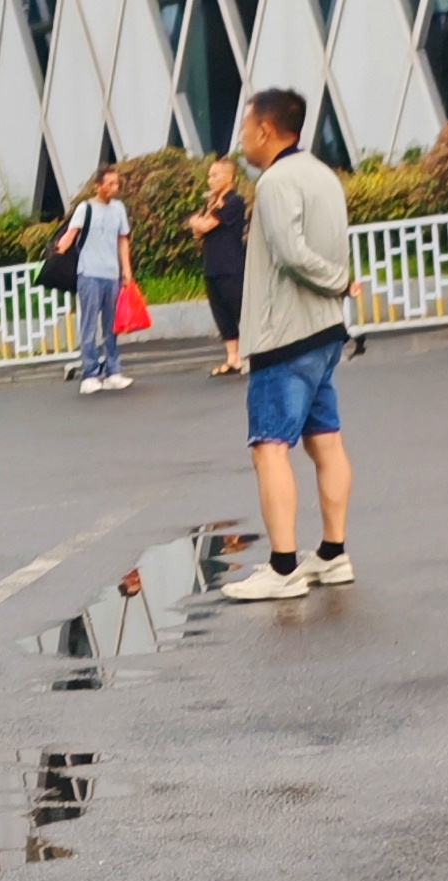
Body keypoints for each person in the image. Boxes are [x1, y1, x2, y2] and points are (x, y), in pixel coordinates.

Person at [221, 89, 356, 600]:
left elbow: (293, 254)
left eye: (245, 129)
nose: (241, 141)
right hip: (324, 333)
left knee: (269, 448)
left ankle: (282, 569)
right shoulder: (323, 175)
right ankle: (331, 554)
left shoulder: (275, 181)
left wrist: (336, 279)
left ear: (266, 129)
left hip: (285, 335)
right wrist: (339, 285)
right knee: (326, 441)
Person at [54, 165, 133, 394]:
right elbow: (71, 234)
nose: (114, 188)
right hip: (89, 274)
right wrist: (57, 253)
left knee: (112, 326)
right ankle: (89, 373)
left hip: (112, 275)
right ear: (98, 186)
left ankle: (113, 371)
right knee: (88, 325)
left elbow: (123, 239)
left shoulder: (119, 209)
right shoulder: (85, 208)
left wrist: (126, 269)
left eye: (116, 183)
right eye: (109, 184)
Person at [187, 155, 248, 375]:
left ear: (228, 177)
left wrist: (199, 223)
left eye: (215, 175)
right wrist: (199, 223)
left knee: (238, 309)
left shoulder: (234, 201)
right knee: (221, 312)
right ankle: (232, 357)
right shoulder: (212, 202)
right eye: (209, 175)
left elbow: (206, 224)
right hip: (212, 265)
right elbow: (197, 231)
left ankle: (246, 355)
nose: (210, 180)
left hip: (231, 265)